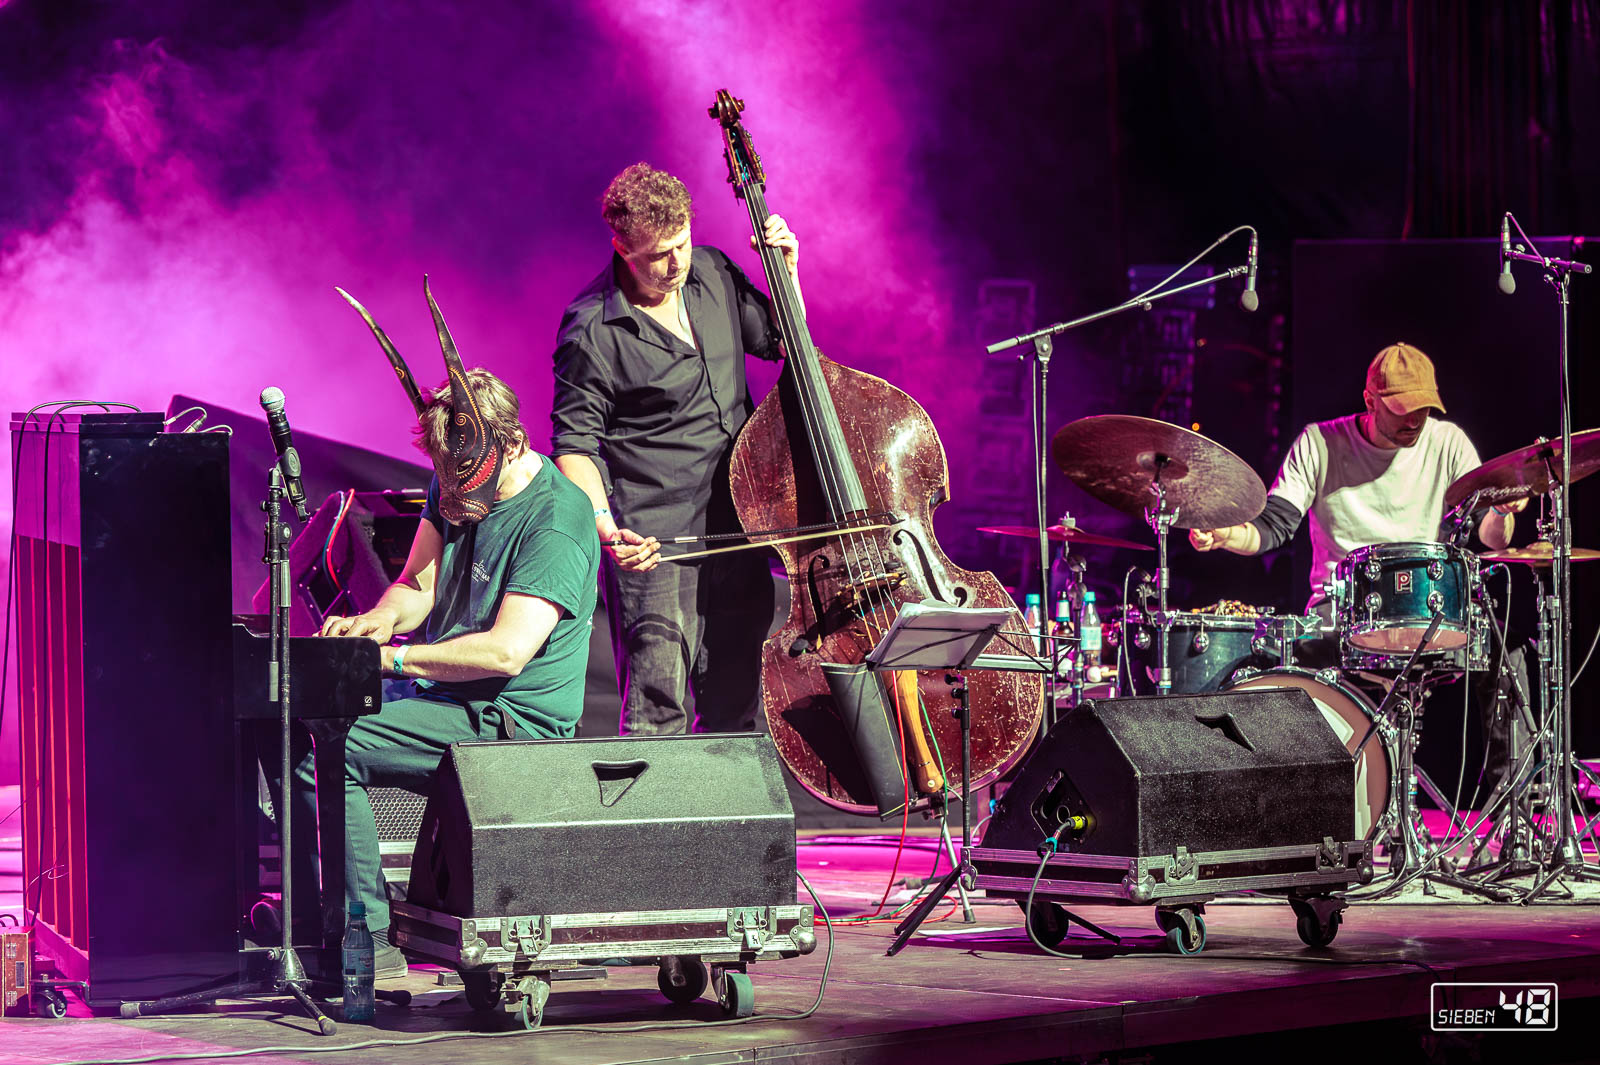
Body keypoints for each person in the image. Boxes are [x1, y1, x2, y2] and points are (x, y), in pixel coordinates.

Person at [311, 368, 600, 977]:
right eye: (448, 483)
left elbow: (505, 653)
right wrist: (377, 622)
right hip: (452, 702)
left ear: (514, 442)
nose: (456, 498)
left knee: (327, 749)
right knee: (300, 724)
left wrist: (394, 657)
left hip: (511, 724)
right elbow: (418, 586)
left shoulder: (556, 518)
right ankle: (331, 924)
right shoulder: (458, 473)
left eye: (468, 484)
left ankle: (370, 945)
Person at [1190, 341, 1528, 787]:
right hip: (1339, 617)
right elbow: (1273, 526)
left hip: (1427, 615)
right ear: (1370, 401)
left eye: (1424, 408)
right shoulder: (1321, 443)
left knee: (1505, 650)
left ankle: (1514, 810)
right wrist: (1225, 534)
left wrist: (1502, 513)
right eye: (1403, 409)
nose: (1415, 420)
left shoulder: (1448, 442)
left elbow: (1489, 537)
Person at [551, 162, 800, 736]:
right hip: (656, 542)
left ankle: (726, 826)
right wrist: (607, 530)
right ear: (623, 247)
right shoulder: (592, 330)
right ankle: (657, 828)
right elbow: (574, 444)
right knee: (657, 711)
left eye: (682, 243)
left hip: (739, 527)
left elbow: (784, 343)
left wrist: (787, 275)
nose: (676, 263)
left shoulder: (711, 270)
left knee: (737, 704)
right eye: (658, 254)